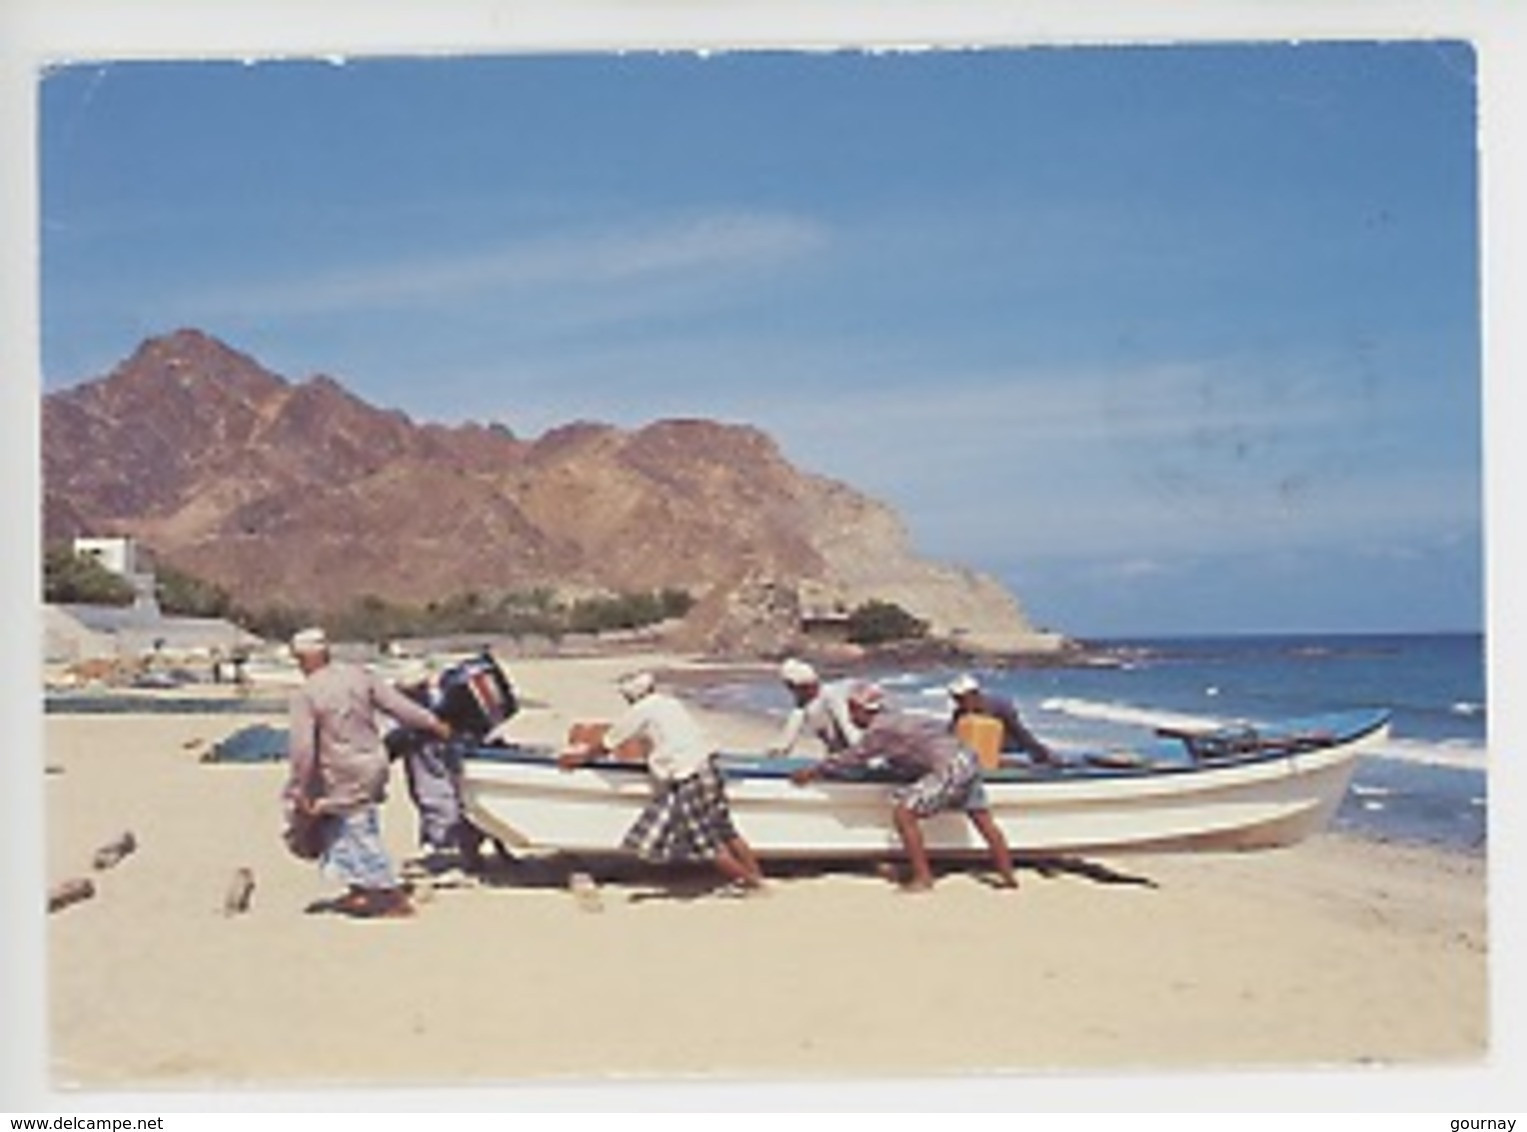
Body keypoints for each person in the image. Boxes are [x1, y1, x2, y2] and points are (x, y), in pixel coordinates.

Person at [285, 627, 452, 918]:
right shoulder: (359, 676)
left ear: (302, 658)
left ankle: (387, 894)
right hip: (374, 762)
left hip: (341, 769)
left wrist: (299, 786)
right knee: (345, 825)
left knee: (356, 829)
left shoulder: (307, 693)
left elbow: (303, 749)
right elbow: (398, 706)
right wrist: (432, 722)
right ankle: (359, 889)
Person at [791, 682, 1017, 893]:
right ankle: (1008, 877)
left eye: (852, 711)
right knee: (983, 820)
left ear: (861, 710)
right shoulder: (899, 718)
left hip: (950, 768)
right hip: (967, 759)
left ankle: (922, 878)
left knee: (904, 813)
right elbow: (931, 739)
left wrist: (812, 772)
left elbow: (852, 758)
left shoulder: (880, 730)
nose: (850, 717)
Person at [558, 671, 766, 895]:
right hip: (709, 767)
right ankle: (757, 876)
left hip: (688, 775)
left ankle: (748, 883)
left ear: (631, 697)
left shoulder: (640, 711)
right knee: (725, 830)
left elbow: (607, 744)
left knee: (706, 842)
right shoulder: (670, 704)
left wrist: (577, 759)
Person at [947, 673, 1059, 766]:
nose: (959, 702)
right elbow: (951, 738)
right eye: (956, 698)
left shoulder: (1000, 707)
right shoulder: (960, 714)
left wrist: (1041, 754)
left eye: (961, 698)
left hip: (1009, 752)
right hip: (980, 759)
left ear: (974, 694)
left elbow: (1020, 733)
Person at [767, 658, 863, 757]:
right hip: (836, 751)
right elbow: (792, 726)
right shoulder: (803, 703)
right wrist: (779, 748)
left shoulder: (831, 696)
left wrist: (861, 752)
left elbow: (848, 727)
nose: (792, 692)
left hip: (851, 749)